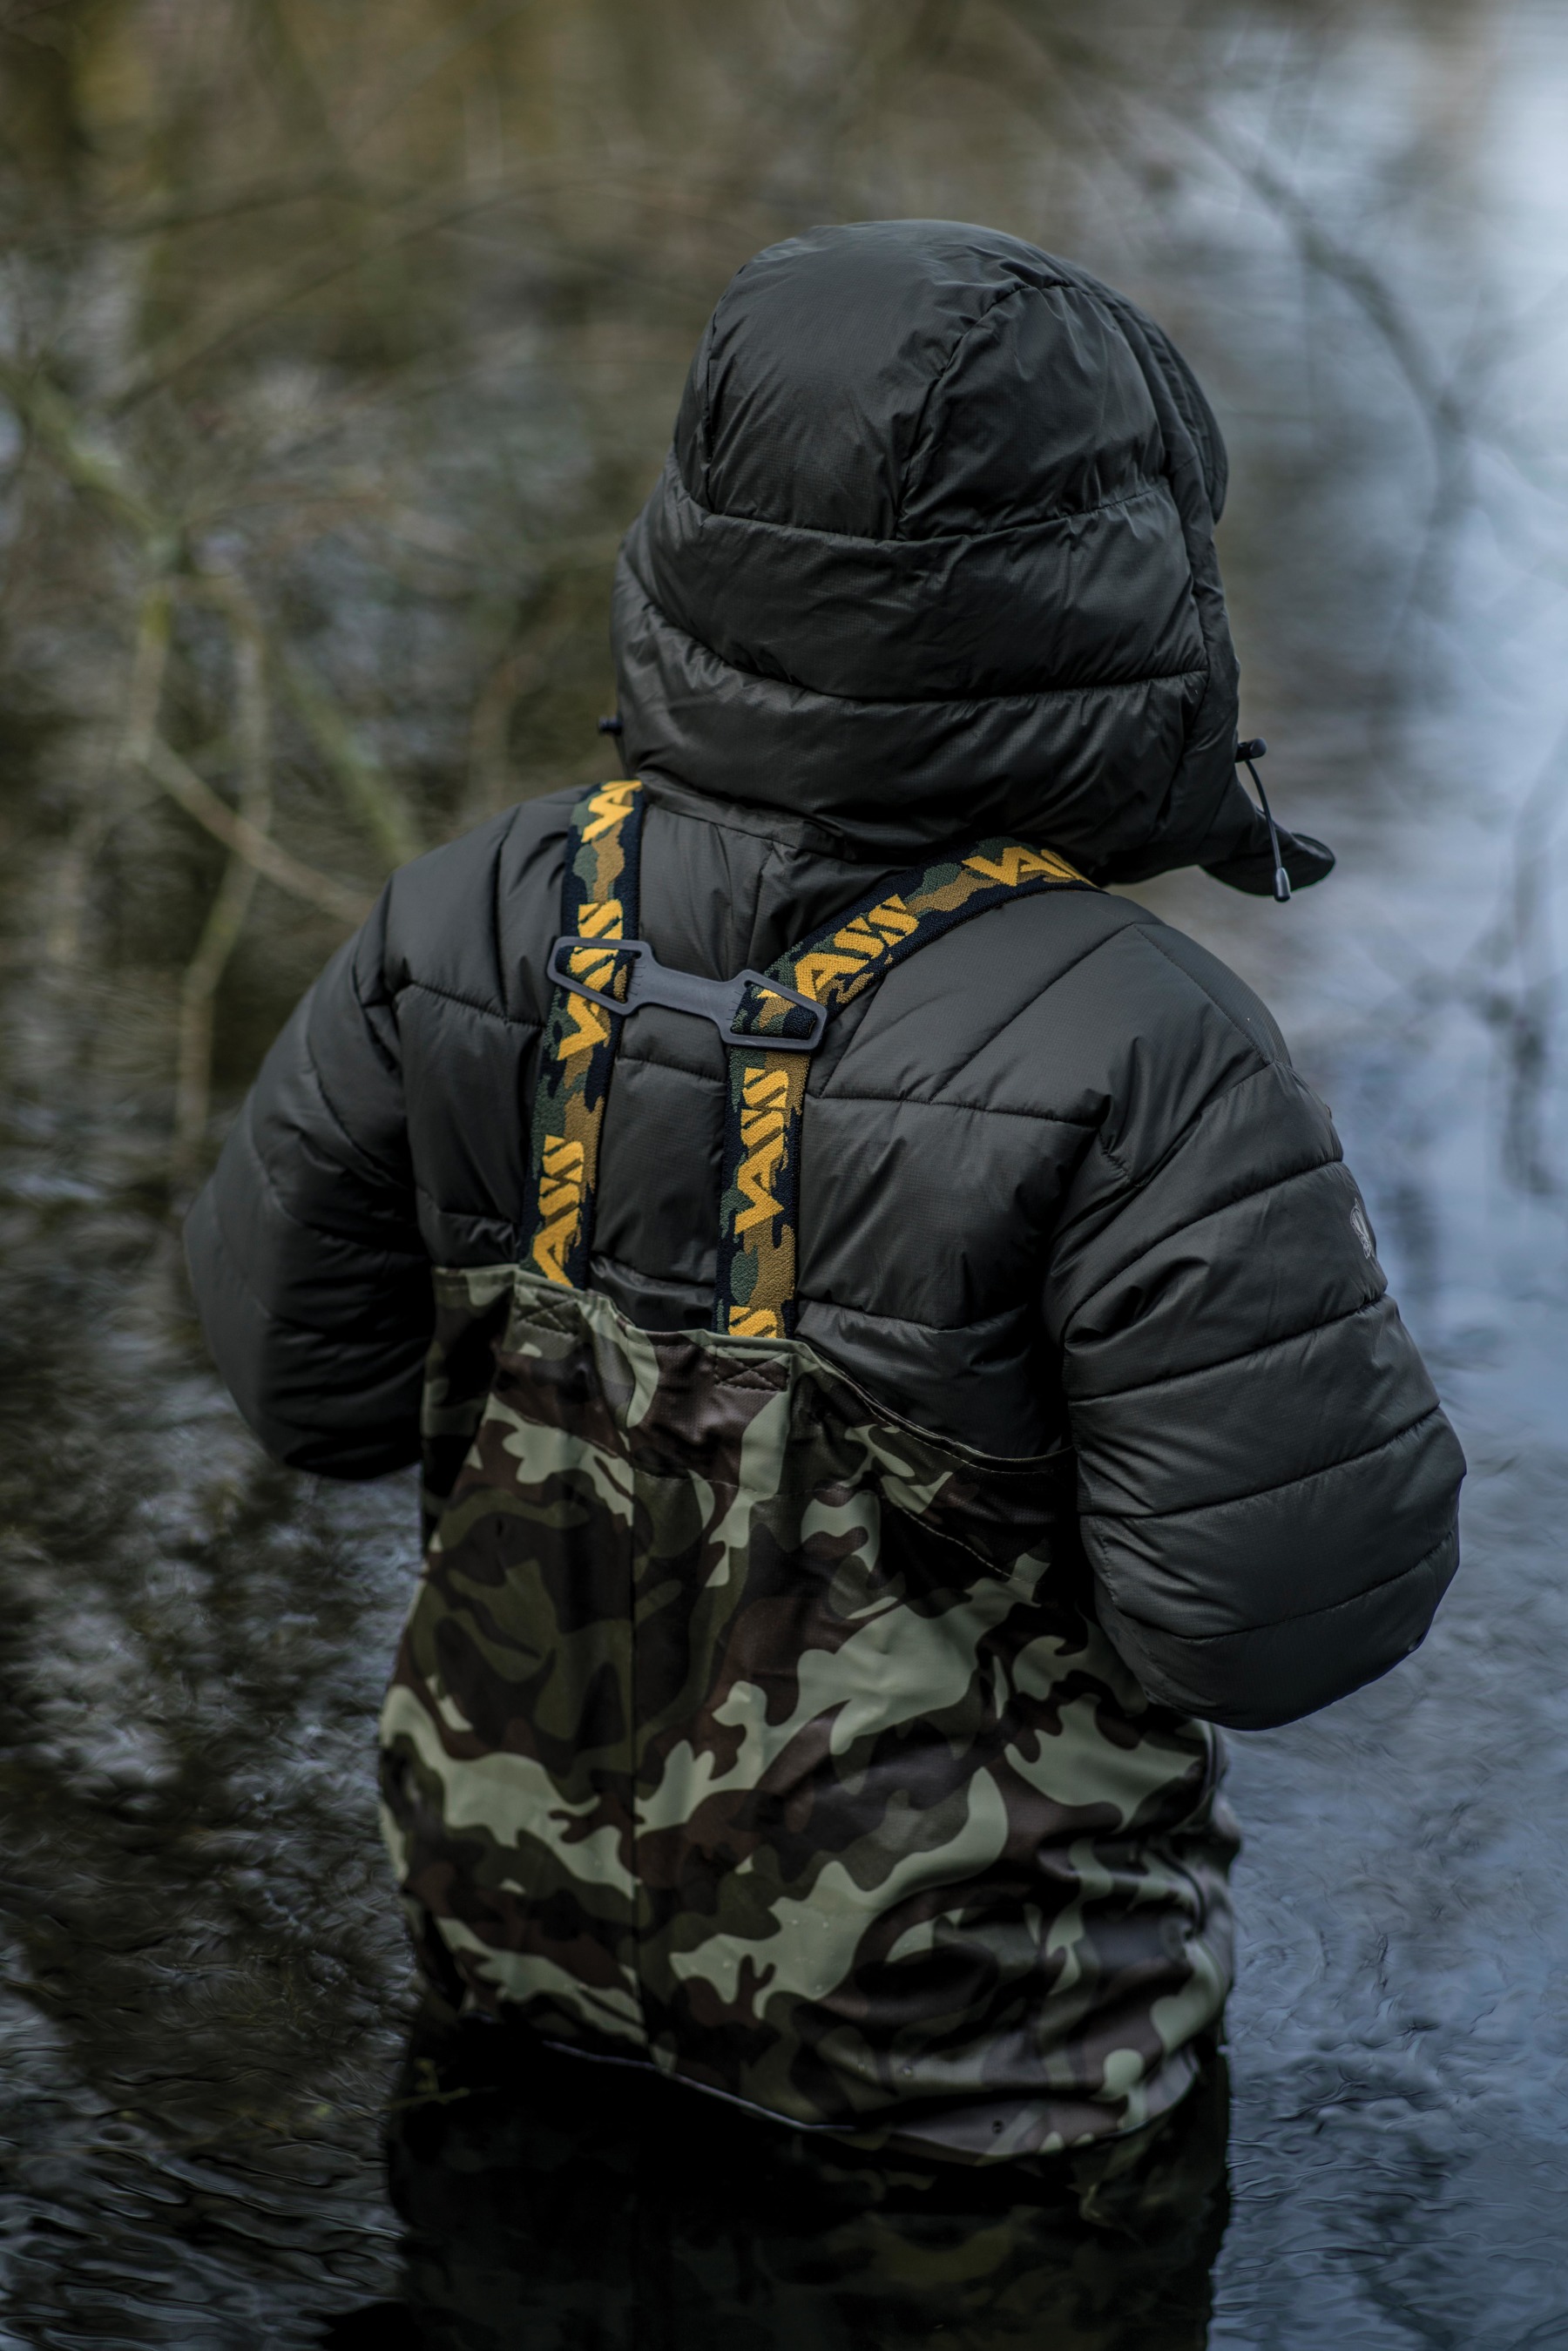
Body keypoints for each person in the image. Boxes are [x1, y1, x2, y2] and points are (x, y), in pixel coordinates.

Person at [186, 220, 1464, 2177]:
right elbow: (1271, 1624)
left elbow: (306, 1389)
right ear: (1117, 583)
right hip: (980, 2090)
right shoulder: (1140, 1040)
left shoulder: (466, 916)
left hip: (501, 1979)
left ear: (698, 526)